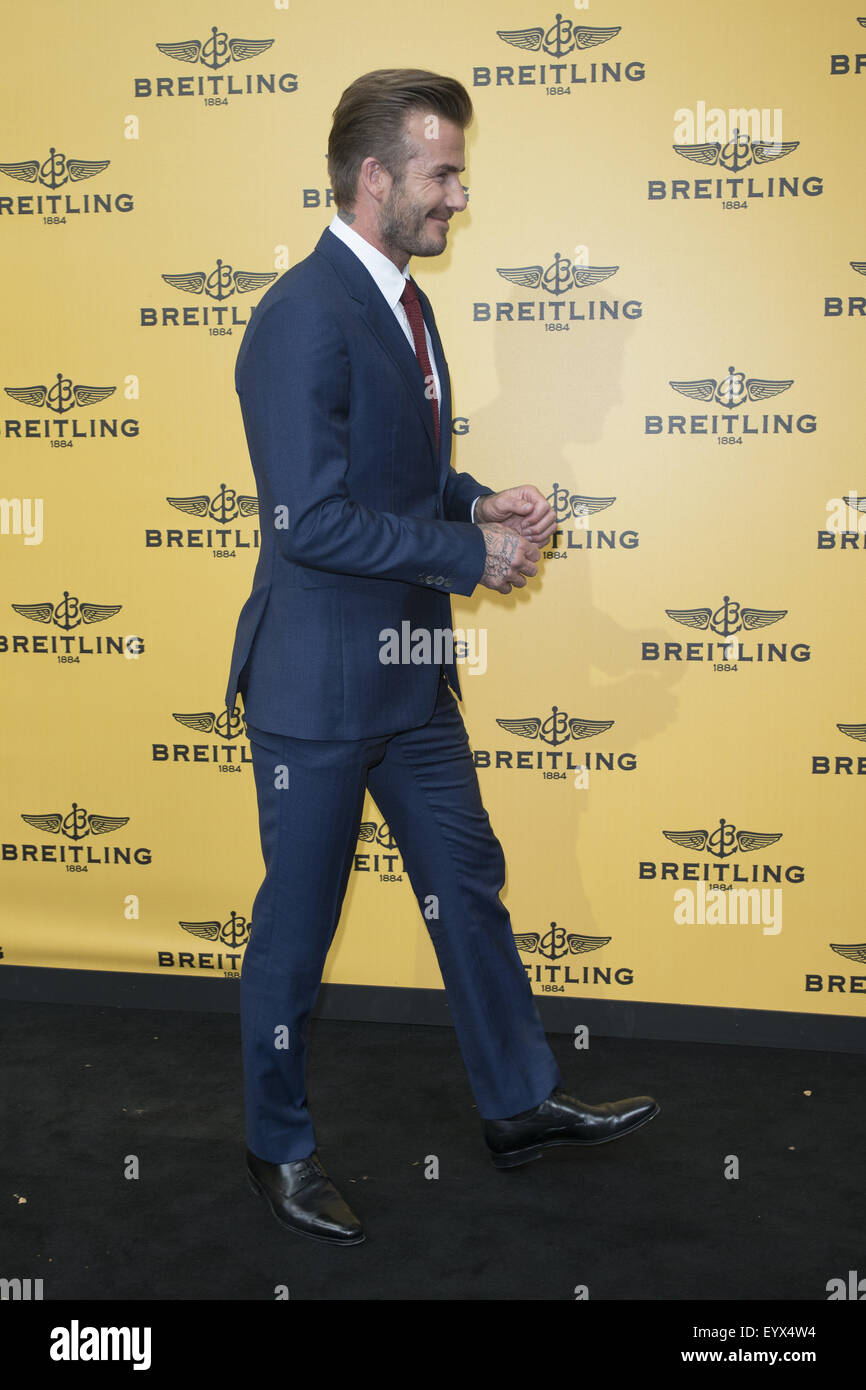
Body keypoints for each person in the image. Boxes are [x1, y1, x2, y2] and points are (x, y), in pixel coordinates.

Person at [224, 68, 658, 1246]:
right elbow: (306, 519)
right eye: (441, 173)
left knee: (465, 887)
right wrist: (468, 552)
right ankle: (278, 1147)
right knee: (296, 934)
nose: (458, 195)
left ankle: (517, 1105)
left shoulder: (406, 305)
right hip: (315, 688)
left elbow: (398, 482)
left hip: (409, 680)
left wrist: (478, 498)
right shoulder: (300, 315)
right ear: (375, 178)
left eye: (457, 173)